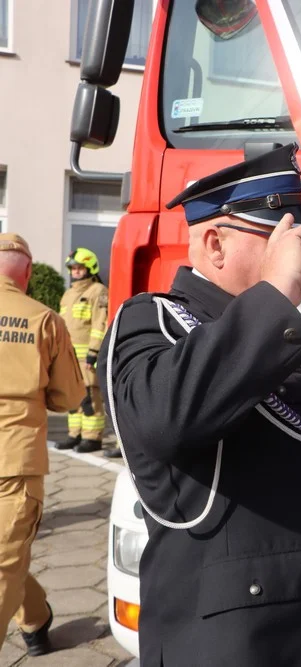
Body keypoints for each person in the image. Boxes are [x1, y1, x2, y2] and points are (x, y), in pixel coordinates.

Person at [97, 143, 301, 666]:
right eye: (282, 237)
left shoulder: (273, 334)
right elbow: (160, 417)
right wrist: (277, 292)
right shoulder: (156, 320)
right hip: (250, 644)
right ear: (215, 243)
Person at [0, 233, 87, 656]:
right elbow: (70, 398)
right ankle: (36, 617)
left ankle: (35, 618)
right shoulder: (44, 319)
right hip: (16, 462)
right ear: (28, 275)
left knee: (5, 557)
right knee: (5, 561)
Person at [54, 247, 111, 455]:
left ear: (90, 268)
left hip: (87, 357)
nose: (76, 271)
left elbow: (100, 324)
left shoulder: (98, 292)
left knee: (89, 397)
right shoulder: (68, 294)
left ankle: (92, 438)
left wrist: (93, 353)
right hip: (68, 357)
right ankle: (74, 433)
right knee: (72, 397)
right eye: (73, 268)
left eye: (80, 268)